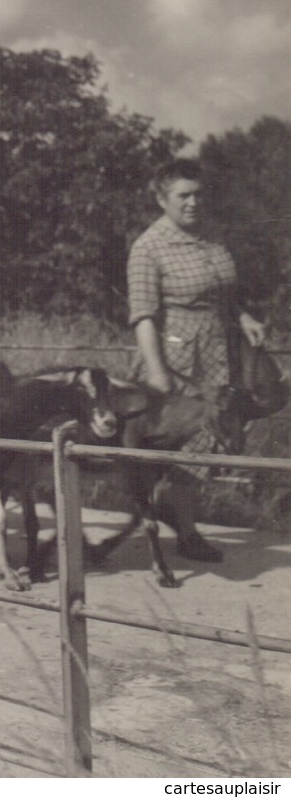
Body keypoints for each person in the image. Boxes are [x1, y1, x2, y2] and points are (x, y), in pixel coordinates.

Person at [126, 158, 267, 561]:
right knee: (186, 442)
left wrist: (243, 317)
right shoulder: (148, 248)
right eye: (183, 195)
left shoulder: (212, 237)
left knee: (214, 437)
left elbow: (222, 291)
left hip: (220, 354)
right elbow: (142, 316)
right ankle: (182, 530)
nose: (193, 202)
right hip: (177, 362)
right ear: (161, 198)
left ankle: (174, 516)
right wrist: (156, 372)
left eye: (198, 194)